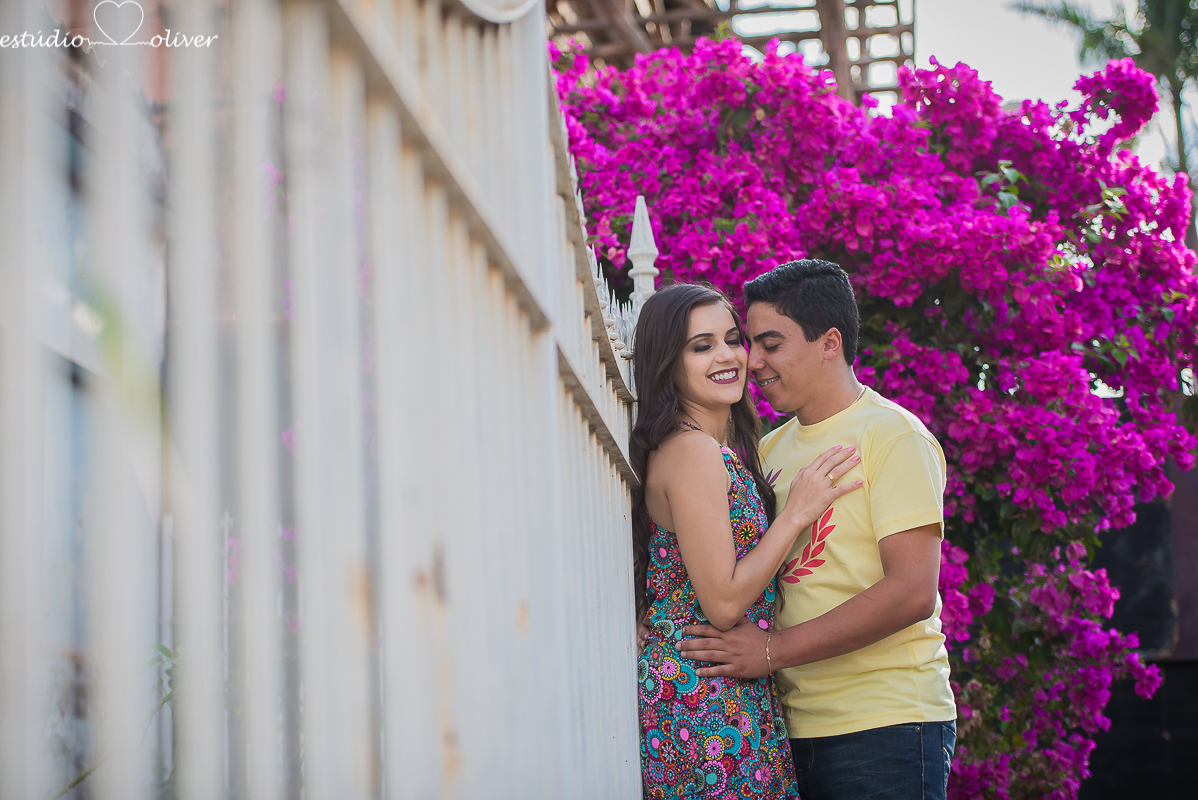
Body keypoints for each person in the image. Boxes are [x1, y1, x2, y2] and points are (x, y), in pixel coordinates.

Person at [676, 260, 956, 800]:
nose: (751, 361)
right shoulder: (770, 450)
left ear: (830, 343)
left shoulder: (892, 435)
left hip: (887, 725)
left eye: (771, 344)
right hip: (789, 727)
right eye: (750, 343)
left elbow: (912, 592)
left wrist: (770, 652)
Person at [631, 283, 863, 800]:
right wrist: (796, 514)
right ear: (668, 361)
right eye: (701, 346)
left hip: (727, 689)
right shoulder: (692, 451)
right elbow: (723, 601)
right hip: (703, 701)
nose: (728, 356)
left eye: (733, 339)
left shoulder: (717, 449)